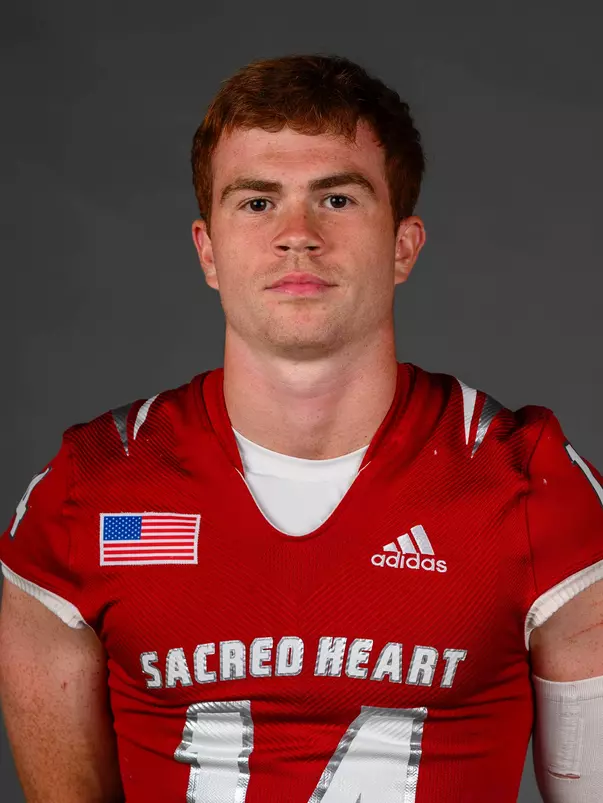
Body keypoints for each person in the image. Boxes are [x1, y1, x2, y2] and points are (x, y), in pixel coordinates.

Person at [0, 53, 602, 803]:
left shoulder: (528, 484)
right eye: (256, 202)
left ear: (404, 246)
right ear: (207, 251)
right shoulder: (88, 492)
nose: (296, 234)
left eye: (337, 199)